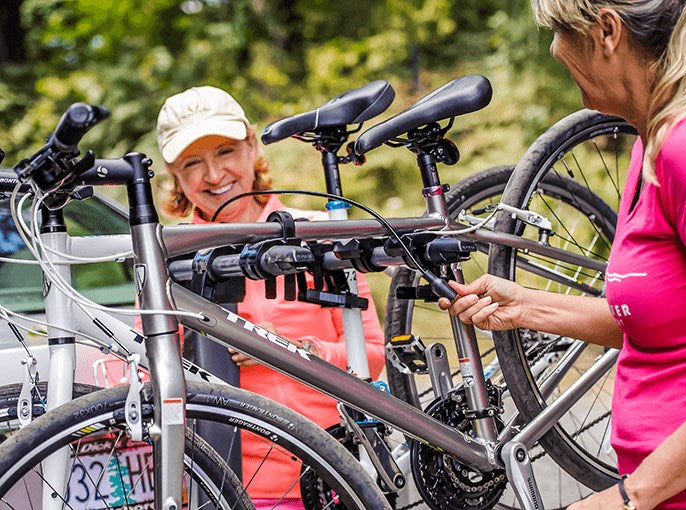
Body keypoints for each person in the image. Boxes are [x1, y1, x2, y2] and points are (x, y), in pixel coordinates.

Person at [439, 1, 686, 509]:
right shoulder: (649, 145)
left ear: (607, 32)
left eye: (558, 32)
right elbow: (660, 320)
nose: (553, 50)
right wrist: (527, 308)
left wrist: (628, 498)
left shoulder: (681, 151)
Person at [155, 85, 385, 508]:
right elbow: (148, 376)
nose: (213, 175)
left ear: (251, 147)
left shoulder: (319, 236)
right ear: (175, 177)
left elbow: (372, 356)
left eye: (225, 152)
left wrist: (295, 350)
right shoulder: (164, 261)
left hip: (330, 476)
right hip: (221, 490)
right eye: (192, 163)